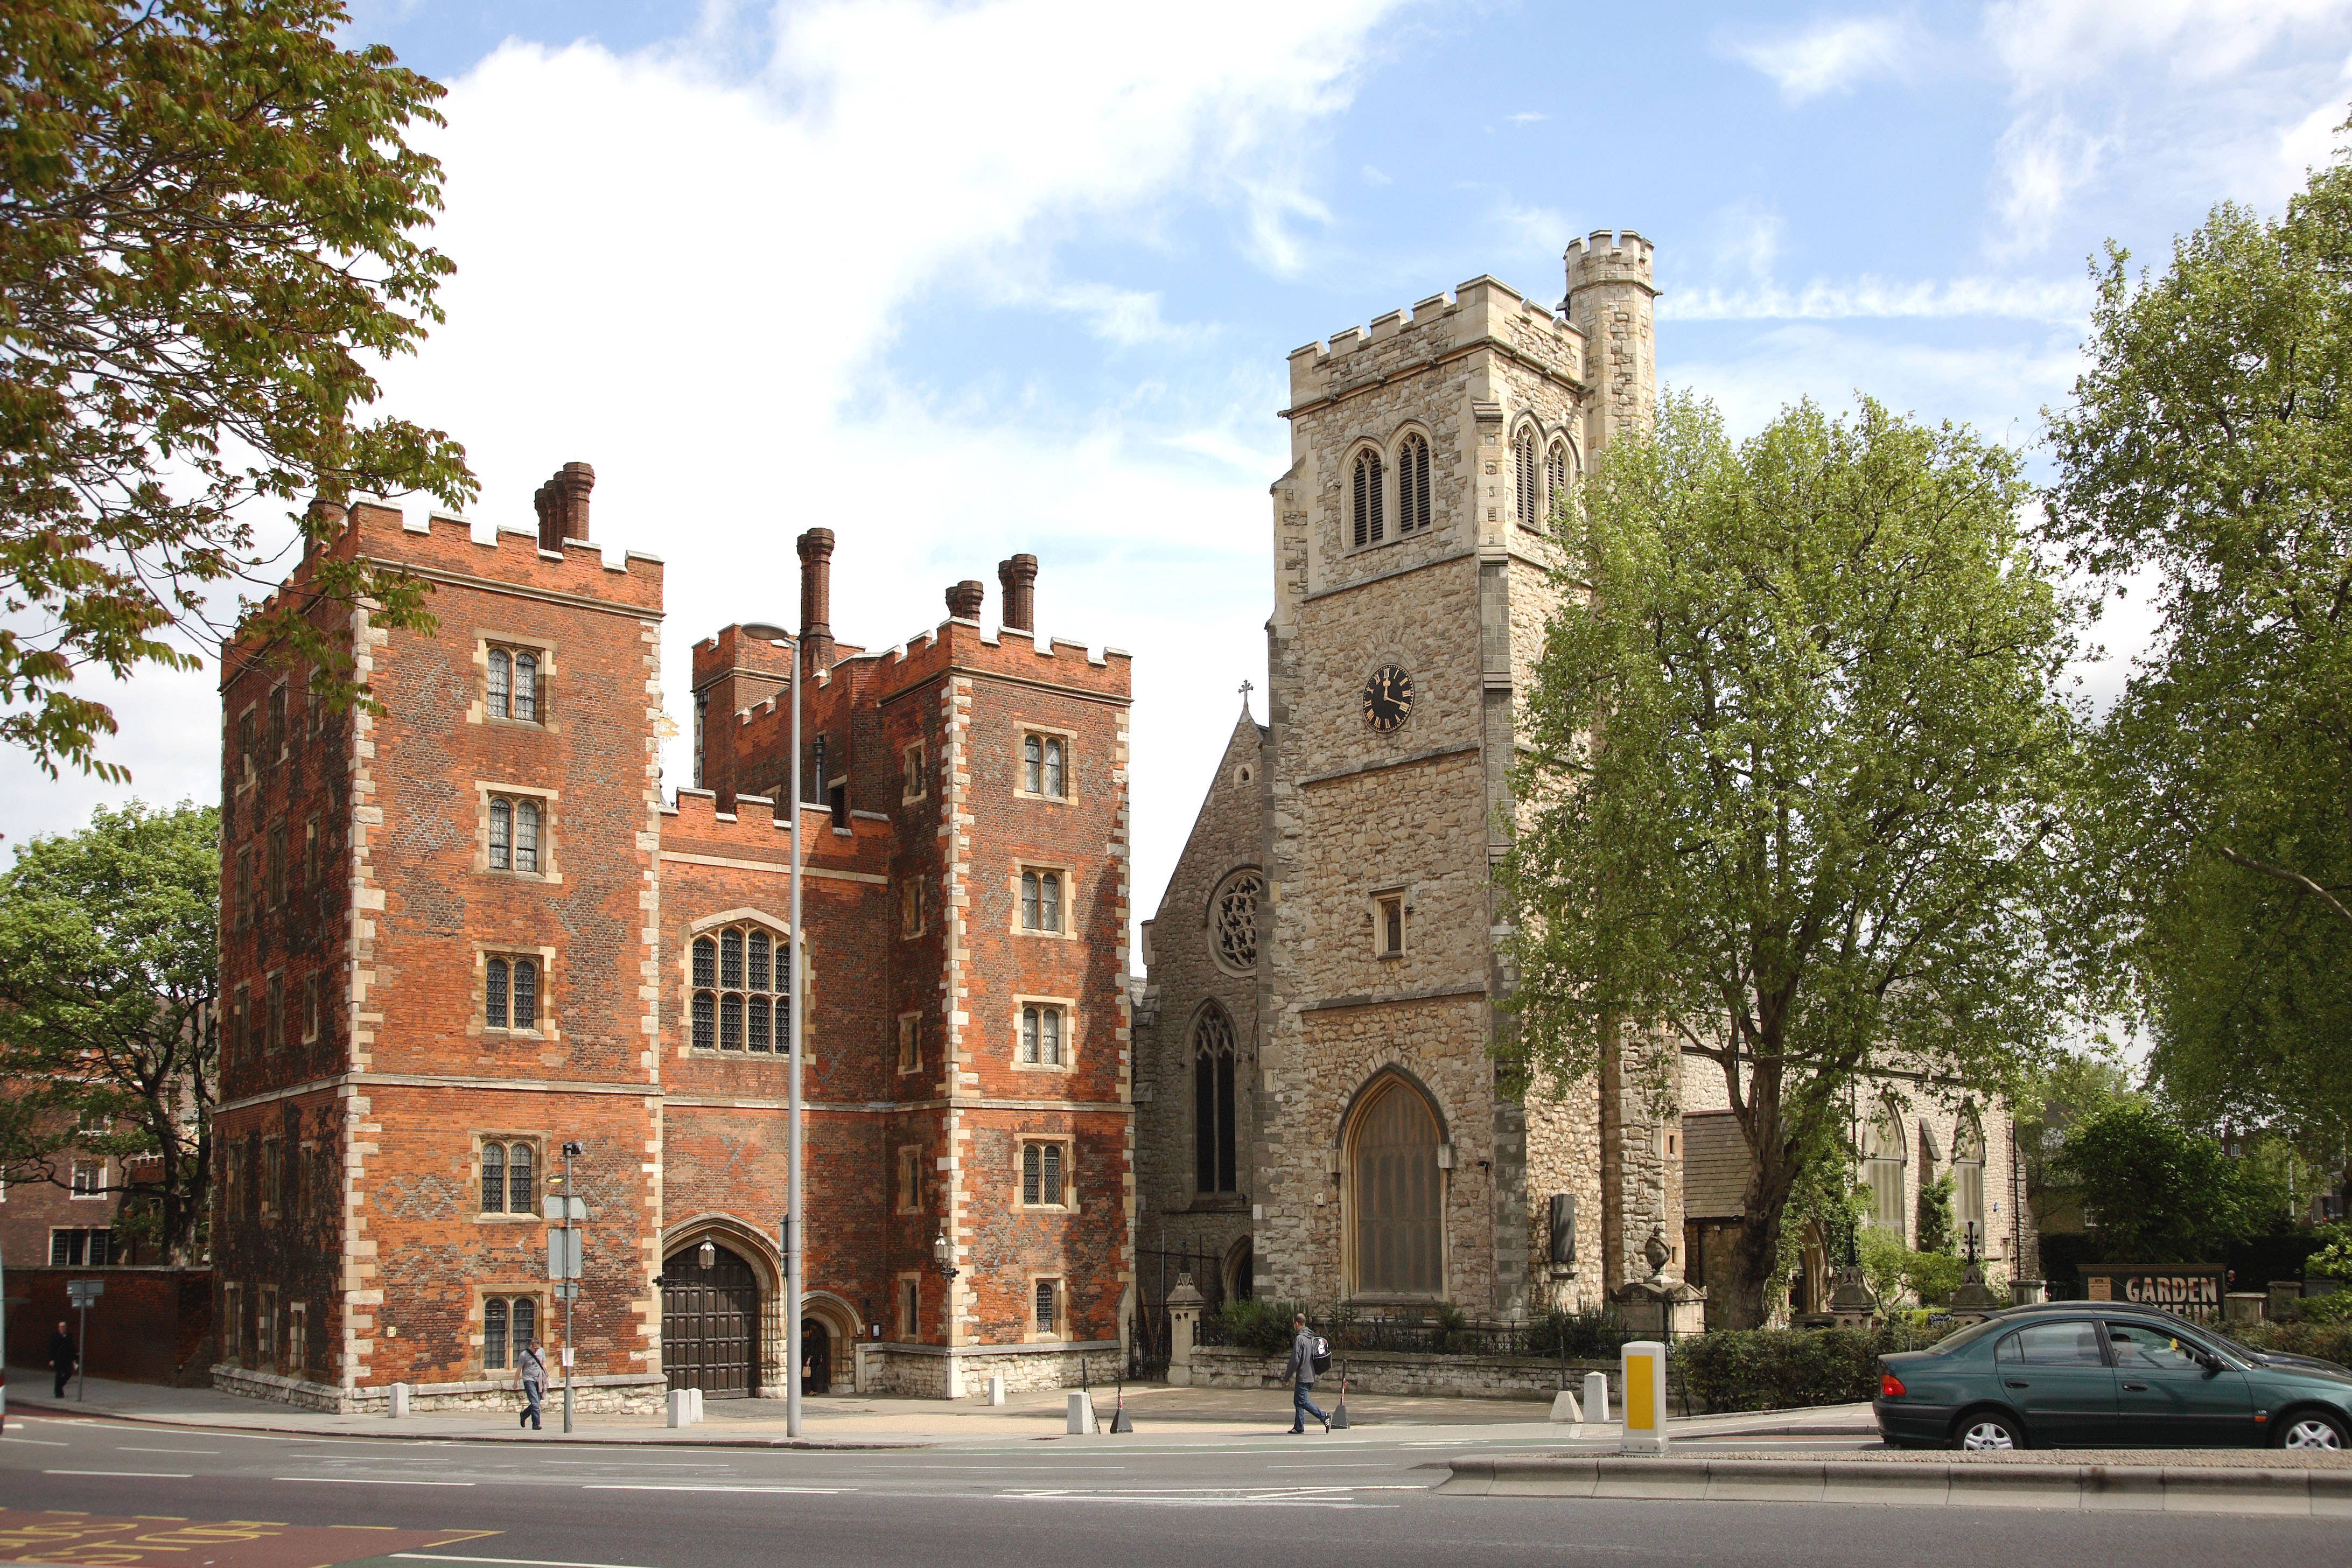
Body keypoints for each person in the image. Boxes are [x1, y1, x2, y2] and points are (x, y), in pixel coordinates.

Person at [1283, 1313, 1327, 1434]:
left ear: (1297, 1324)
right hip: (1311, 1375)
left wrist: (1287, 1377)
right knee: (1298, 1401)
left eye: (1294, 1324)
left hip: (1303, 1376)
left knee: (1302, 1401)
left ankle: (1324, 1416)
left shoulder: (1300, 1339)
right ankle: (1299, 1426)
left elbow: (1295, 1360)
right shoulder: (1310, 1338)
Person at [516, 1338, 548, 1431]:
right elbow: (519, 1369)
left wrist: (547, 1376)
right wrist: (516, 1382)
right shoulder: (524, 1355)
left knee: (537, 1402)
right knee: (535, 1403)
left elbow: (543, 1364)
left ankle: (524, 1414)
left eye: (538, 1348)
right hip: (528, 1380)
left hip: (539, 1379)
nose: (536, 1350)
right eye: (535, 1348)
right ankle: (536, 1424)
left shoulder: (541, 1351)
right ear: (531, 1345)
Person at [47, 1321, 76, 1399]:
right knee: (59, 1375)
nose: (63, 1328)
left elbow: (72, 1347)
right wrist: (51, 1359)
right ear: (59, 1328)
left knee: (68, 1373)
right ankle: (58, 1393)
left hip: (67, 1359)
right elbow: (52, 1349)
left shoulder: (69, 1336)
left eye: (64, 1327)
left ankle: (59, 1387)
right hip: (58, 1359)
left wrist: (74, 1358)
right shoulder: (55, 1336)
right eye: (61, 1327)